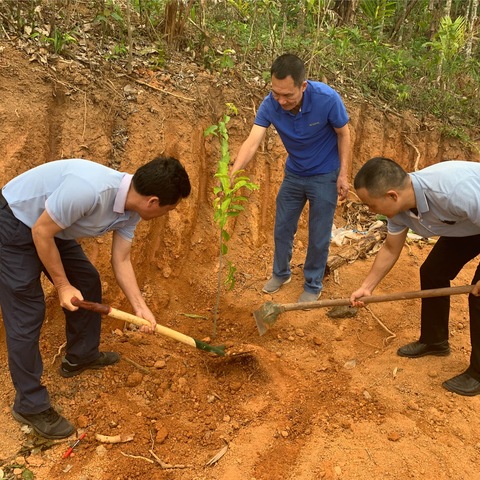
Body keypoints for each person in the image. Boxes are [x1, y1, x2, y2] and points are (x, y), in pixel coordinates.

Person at [0, 156, 191, 438]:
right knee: (27, 311)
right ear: (153, 201)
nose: (166, 214)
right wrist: (63, 285)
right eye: (168, 209)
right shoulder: (89, 190)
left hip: (51, 227)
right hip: (15, 222)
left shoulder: (131, 210)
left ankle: (80, 356)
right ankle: (29, 405)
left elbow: (122, 260)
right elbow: (41, 231)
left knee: (87, 281)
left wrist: (141, 308)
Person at [350, 157, 480, 396]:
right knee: (432, 272)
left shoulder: (452, 192)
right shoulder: (399, 210)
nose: (369, 210)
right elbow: (390, 249)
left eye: (370, 204)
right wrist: (367, 287)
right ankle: (435, 341)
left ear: (392, 196)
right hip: (470, 224)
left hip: (474, 215)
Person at [230, 53, 351, 303]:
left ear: (303, 86)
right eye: (276, 93)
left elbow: (344, 133)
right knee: (283, 228)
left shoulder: (327, 99)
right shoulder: (270, 104)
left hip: (325, 175)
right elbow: (253, 142)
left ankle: (313, 283)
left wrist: (343, 174)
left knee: (318, 233)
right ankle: (281, 273)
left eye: (288, 95)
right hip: (294, 173)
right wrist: (234, 172)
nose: (281, 100)